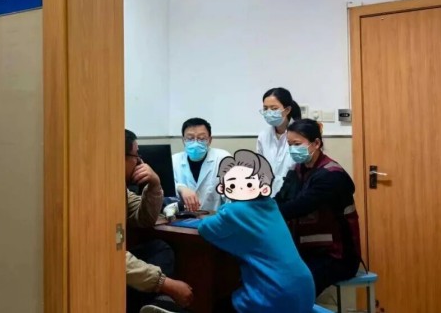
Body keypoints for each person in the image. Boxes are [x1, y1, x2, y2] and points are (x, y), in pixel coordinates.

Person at [197, 150, 316, 313]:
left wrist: (223, 209)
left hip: (276, 294)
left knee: (217, 306)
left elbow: (204, 228)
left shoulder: (234, 212)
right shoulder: (271, 205)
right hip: (304, 289)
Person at [275, 119, 361, 297]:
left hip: (336, 256)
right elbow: (280, 199)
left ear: (316, 143)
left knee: (294, 288)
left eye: (297, 144)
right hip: (306, 252)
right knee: (269, 276)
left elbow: (299, 207)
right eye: (289, 145)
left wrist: (260, 213)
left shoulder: (331, 175)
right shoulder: (297, 170)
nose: (292, 149)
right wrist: (256, 206)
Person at [125, 129, 194, 313]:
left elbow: (145, 219)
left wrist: (154, 184)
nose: (140, 162)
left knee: (159, 248)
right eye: (136, 155)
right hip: (101, 268)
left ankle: (159, 304)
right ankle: (160, 303)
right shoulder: (96, 192)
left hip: (119, 261)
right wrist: (166, 284)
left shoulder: (120, 189)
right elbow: (111, 256)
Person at [172, 118, 230, 211]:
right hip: (183, 217)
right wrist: (180, 188)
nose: (195, 143)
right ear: (183, 140)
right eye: (190, 138)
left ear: (210, 140)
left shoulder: (222, 158)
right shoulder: (174, 160)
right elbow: (163, 190)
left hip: (215, 217)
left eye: (202, 138)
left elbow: (231, 195)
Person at [257, 87, 302, 196]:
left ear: (287, 110)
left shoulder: (300, 135)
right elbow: (260, 168)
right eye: (265, 108)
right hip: (268, 195)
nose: (269, 112)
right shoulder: (263, 136)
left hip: (295, 195)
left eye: (274, 108)